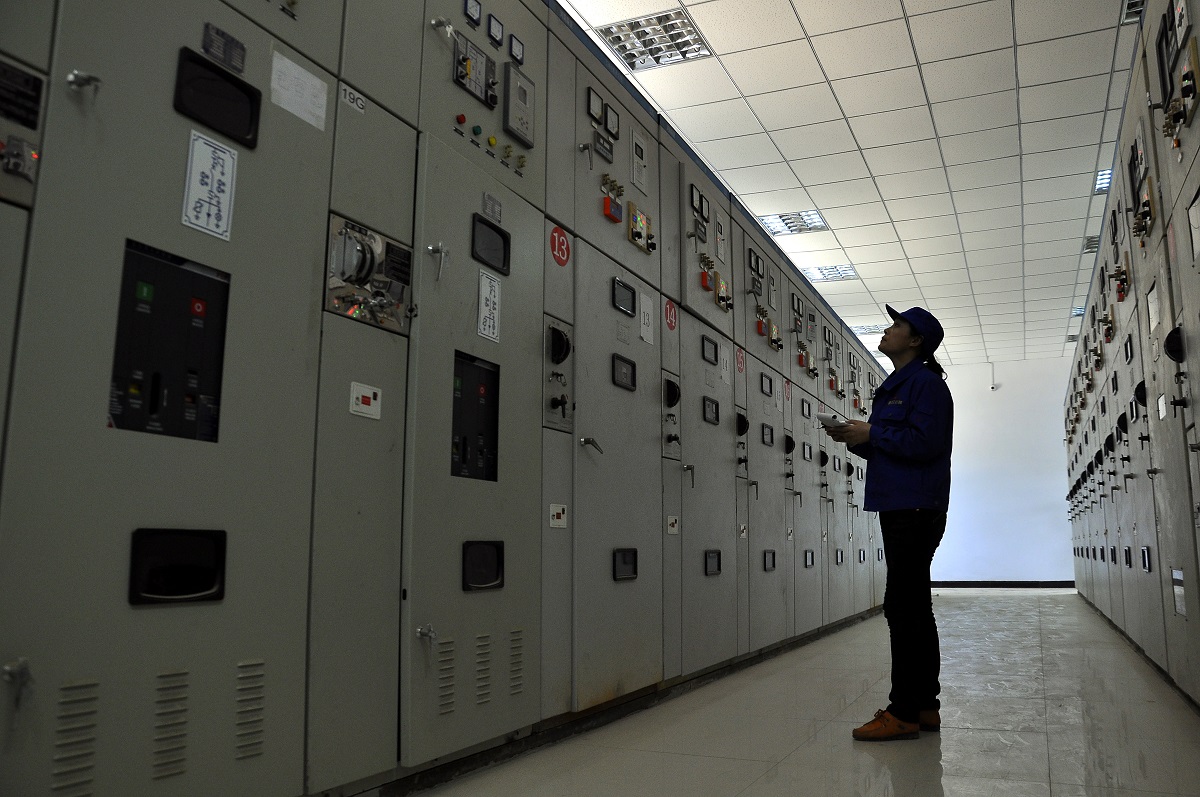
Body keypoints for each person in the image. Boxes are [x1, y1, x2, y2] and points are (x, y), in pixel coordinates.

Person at [823, 304, 953, 742]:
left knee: (903, 607)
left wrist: (873, 433)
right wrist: (856, 438)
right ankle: (925, 706)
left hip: (915, 506)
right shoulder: (896, 385)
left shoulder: (926, 385)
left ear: (915, 340)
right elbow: (894, 446)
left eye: (897, 325)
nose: (887, 329)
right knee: (913, 606)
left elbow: (926, 443)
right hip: (899, 502)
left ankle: (903, 712)